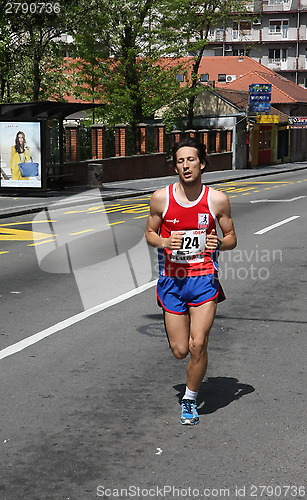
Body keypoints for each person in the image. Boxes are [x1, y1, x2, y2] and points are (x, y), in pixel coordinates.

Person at [145, 137, 237, 425]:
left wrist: (218, 243)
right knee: (180, 350)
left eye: (191, 160)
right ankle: (188, 366)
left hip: (203, 280)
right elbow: (149, 233)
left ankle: (189, 399)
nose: (186, 165)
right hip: (172, 281)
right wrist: (164, 240)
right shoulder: (161, 198)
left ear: (202, 163)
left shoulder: (217, 200)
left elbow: (232, 238)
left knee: (198, 345)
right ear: (175, 167)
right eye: (180, 161)